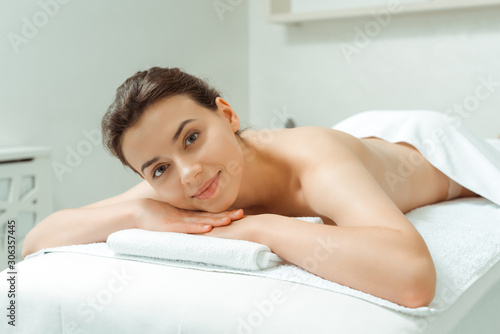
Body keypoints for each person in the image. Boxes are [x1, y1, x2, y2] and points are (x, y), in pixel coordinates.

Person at [22, 67, 480, 308]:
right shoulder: (173, 186)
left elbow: (412, 278)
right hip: (356, 133)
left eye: (192, 137)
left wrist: (259, 229)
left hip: (425, 143)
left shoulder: (313, 161)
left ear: (227, 115)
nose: (190, 174)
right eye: (158, 169)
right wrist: (137, 213)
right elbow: (32, 242)